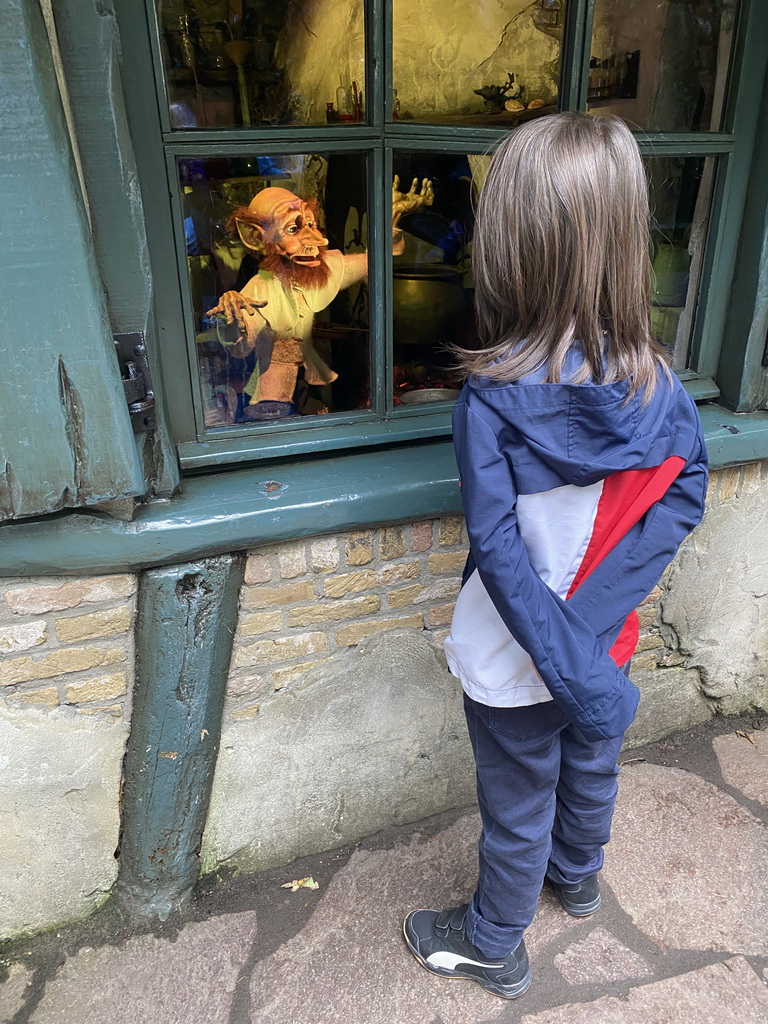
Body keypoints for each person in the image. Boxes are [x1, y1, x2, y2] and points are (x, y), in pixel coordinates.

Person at [403, 112, 708, 1000]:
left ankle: (495, 940)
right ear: (624, 237)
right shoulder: (665, 389)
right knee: (590, 759)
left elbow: (497, 553)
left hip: (517, 657)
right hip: (601, 642)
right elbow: (684, 497)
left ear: (513, 245)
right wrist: (592, 638)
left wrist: (562, 649)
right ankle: (577, 877)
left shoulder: (489, 405)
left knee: (518, 797)